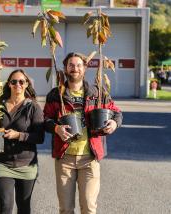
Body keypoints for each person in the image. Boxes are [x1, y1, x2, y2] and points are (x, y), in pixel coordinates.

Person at [44, 52, 123, 214]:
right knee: (65, 209)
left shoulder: (97, 93)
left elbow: (116, 113)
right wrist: (56, 128)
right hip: (65, 158)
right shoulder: (55, 94)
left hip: (90, 158)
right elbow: (45, 119)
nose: (75, 69)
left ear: (85, 68)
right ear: (65, 68)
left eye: (79, 65)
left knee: (88, 207)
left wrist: (114, 123)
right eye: (71, 65)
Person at [0, 69, 45, 214]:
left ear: (27, 85)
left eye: (21, 81)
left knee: (24, 208)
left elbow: (39, 137)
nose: (17, 84)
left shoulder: (33, 107)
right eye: (14, 81)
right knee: (5, 207)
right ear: (9, 84)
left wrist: (18, 135)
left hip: (26, 165)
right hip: (2, 163)